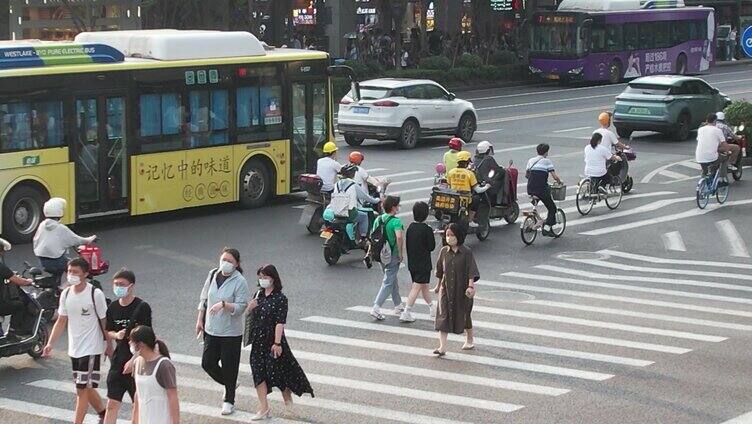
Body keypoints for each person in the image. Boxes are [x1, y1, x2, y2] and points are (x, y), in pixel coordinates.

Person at [43, 258, 111, 424]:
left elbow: (104, 322)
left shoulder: (95, 294)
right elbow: (61, 320)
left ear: (85, 274)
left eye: (75, 272)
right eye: (70, 271)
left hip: (91, 349)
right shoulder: (66, 293)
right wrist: (50, 343)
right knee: (85, 387)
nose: (71, 275)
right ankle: (104, 413)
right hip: (75, 349)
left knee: (81, 390)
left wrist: (109, 345)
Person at [245, 265, 314, 420]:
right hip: (258, 341)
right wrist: (250, 307)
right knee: (258, 373)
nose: (262, 280)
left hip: (273, 341)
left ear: (273, 278)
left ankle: (288, 404)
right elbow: (250, 315)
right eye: (260, 277)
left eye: (265, 277)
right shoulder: (258, 295)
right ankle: (264, 408)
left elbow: (280, 322)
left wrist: (277, 344)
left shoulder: (280, 298)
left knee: (280, 373)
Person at [196, 248, 250, 416]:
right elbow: (204, 298)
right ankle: (230, 384)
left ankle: (229, 400)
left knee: (229, 367)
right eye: (224, 259)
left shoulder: (240, 281)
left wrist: (225, 305)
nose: (226, 263)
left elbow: (242, 307)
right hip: (211, 329)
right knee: (207, 363)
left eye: (230, 261)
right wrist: (200, 319)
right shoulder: (213, 274)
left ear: (236, 264)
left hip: (230, 333)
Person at [103, 269, 152, 424]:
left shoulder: (142, 307)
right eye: (116, 284)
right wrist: (115, 336)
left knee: (138, 406)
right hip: (118, 362)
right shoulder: (112, 307)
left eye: (122, 284)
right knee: (111, 404)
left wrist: (134, 360)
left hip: (137, 362)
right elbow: (108, 330)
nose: (118, 287)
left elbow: (147, 338)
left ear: (131, 286)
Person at [433, 224, 479, 355]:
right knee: (443, 316)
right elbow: (440, 271)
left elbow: (471, 271)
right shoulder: (443, 252)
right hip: (446, 289)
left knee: (464, 315)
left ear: (458, 236)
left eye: (452, 235)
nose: (449, 237)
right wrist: (437, 286)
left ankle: (469, 339)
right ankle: (442, 347)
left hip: (462, 290)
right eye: (447, 235)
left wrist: (470, 286)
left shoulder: (466, 252)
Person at [33, 197, 96, 277]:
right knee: (77, 270)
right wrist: (89, 239)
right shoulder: (60, 228)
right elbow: (76, 239)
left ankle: (57, 286)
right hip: (56, 260)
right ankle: (65, 288)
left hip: (42, 260)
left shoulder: (42, 225)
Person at [130, 325, 179, 424]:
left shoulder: (164, 365)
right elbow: (138, 394)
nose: (130, 344)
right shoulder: (137, 362)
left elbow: (173, 397)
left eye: (132, 341)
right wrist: (134, 420)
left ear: (141, 344)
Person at [400, 202, 436, 323]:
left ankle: (432, 308)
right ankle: (406, 311)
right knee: (416, 287)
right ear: (426, 215)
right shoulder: (427, 229)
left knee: (424, 286)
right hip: (424, 264)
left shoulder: (410, 227)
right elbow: (431, 247)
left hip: (413, 263)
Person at [370, 195, 405, 320]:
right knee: (388, 281)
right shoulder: (396, 222)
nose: (398, 208)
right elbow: (399, 237)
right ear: (394, 207)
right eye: (397, 206)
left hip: (380, 254)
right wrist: (401, 254)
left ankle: (398, 305)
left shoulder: (378, 219)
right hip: (392, 254)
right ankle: (376, 307)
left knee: (391, 279)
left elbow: (373, 235)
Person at [526, 144, 563, 237]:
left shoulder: (531, 160)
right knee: (552, 208)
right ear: (546, 152)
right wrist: (560, 181)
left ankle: (536, 217)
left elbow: (527, 175)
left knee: (536, 200)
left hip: (530, 188)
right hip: (541, 189)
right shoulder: (547, 161)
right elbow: (554, 176)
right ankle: (546, 227)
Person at [0, 237, 33, 340]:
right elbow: (18, 281)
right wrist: (29, 282)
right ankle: (12, 333)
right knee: (19, 306)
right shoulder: (1, 267)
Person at [446, 150, 489, 224]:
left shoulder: (451, 172)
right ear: (467, 161)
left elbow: (449, 186)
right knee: (477, 199)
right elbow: (478, 190)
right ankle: (471, 219)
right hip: (466, 199)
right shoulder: (469, 173)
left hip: (454, 198)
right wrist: (487, 186)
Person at [473, 140, 506, 205]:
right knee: (501, 181)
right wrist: (503, 170)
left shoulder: (475, 158)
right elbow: (499, 170)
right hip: (487, 182)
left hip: (478, 181)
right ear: (487, 150)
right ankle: (499, 202)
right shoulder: (489, 159)